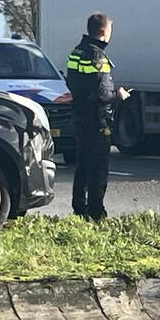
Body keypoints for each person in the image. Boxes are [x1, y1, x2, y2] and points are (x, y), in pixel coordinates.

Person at [65, 12, 129, 221]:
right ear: (103, 32)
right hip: (98, 119)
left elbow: (74, 83)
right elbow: (102, 93)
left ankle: (79, 207)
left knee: (82, 164)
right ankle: (96, 212)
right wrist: (118, 95)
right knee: (98, 168)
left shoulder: (76, 52)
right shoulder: (98, 57)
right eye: (110, 30)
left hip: (81, 116)